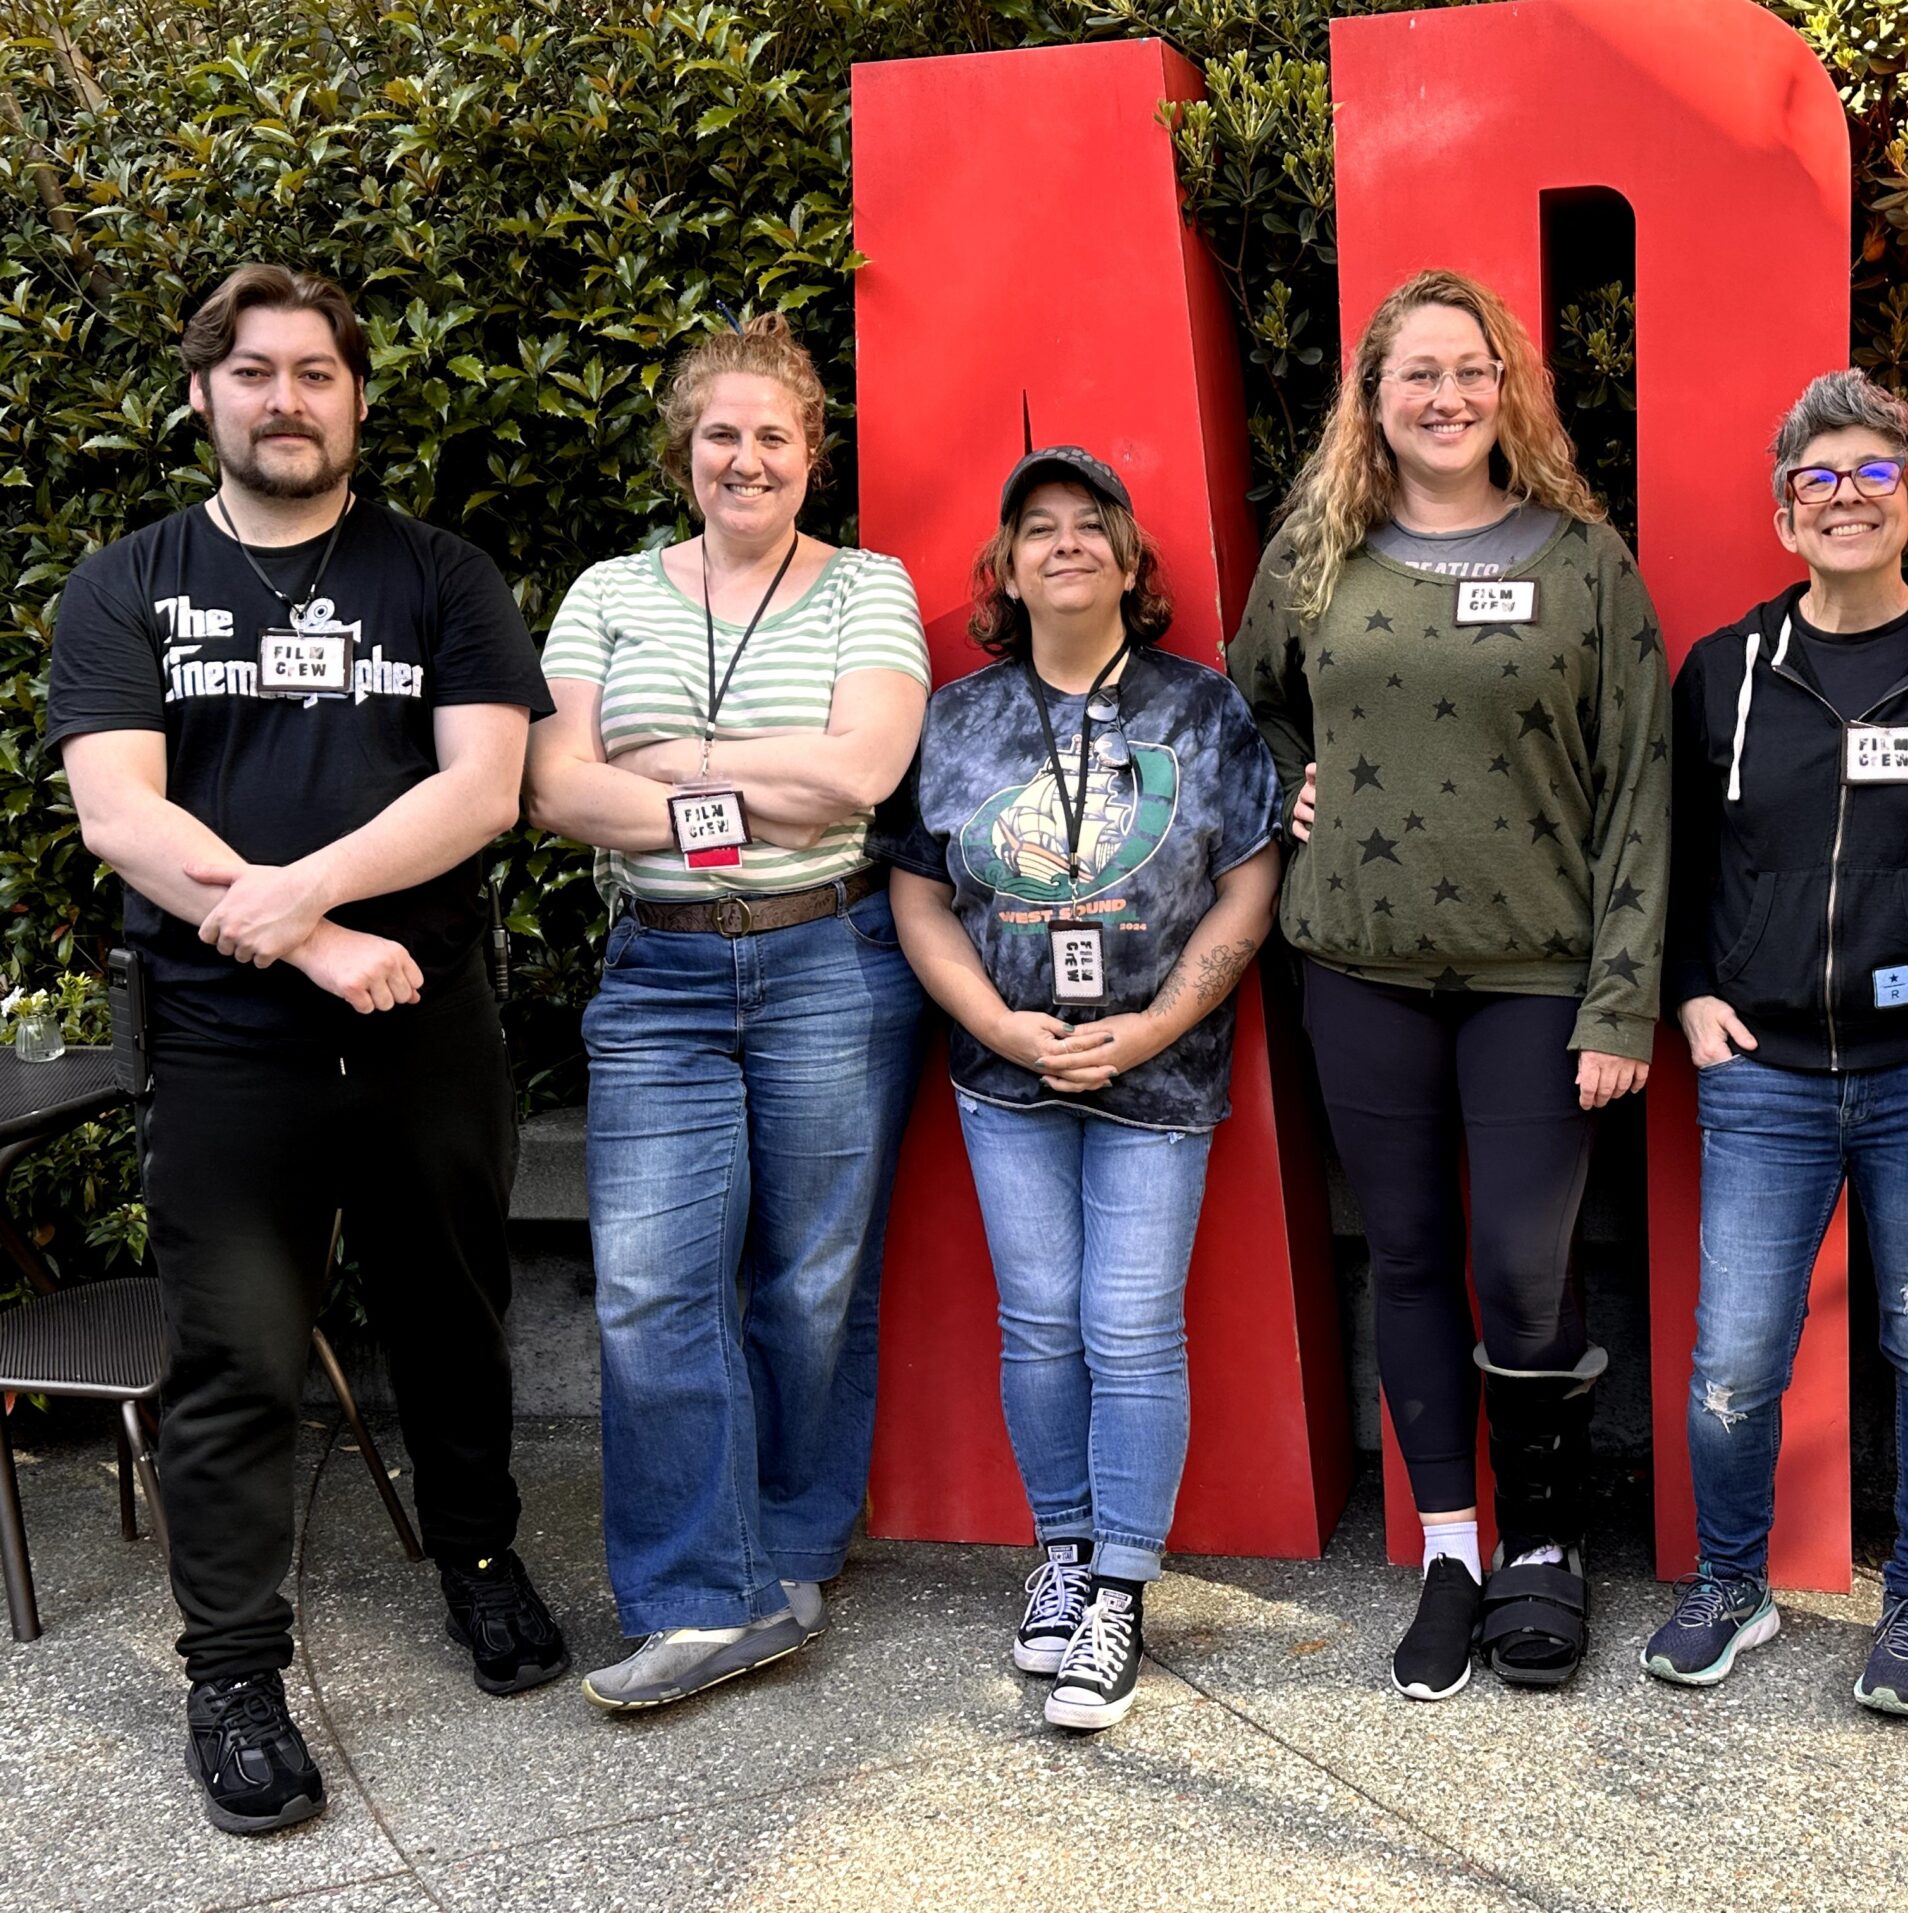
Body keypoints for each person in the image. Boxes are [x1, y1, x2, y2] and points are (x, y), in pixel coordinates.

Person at [45, 264, 565, 1835]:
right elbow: (118, 812)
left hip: (424, 1021)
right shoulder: (127, 584)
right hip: (225, 1041)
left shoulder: (439, 575)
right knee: (236, 1355)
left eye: (316, 373)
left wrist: (304, 893)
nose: (288, 400)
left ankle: (479, 1556)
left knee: (452, 1316)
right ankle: (233, 1671)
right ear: (203, 395)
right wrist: (314, 938)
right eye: (256, 372)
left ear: (356, 397)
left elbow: (482, 790)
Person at [1228, 269, 1670, 1699]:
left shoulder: (1582, 560)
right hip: (1357, 968)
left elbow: (1640, 785)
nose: (1445, 395)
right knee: (1409, 1258)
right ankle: (1449, 1551)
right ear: (1371, 399)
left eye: (1471, 369)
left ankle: (1543, 1543)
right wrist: (1288, 787)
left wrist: (1620, 997)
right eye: (1416, 372)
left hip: (1536, 978)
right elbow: (1249, 699)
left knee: (1523, 1273)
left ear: (1507, 389)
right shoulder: (1316, 554)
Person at [522, 314, 932, 1710]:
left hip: (830, 960)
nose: (745, 458)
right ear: (682, 452)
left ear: (811, 451)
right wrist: (764, 778)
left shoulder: (867, 587)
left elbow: (862, 774)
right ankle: (703, 1594)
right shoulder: (605, 594)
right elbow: (555, 787)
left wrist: (667, 757)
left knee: (812, 1277)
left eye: (772, 434)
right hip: (663, 972)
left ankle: (795, 1542)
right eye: (719, 435)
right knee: (653, 1284)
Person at [1643, 371, 1908, 1716]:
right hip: (1761, 1073)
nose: (1845, 497)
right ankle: (1732, 1583)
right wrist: (1687, 993)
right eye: (1818, 478)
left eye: (1876, 474)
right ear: (1784, 515)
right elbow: (1674, 854)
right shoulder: (1727, 671)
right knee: (1735, 1358)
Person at [876, 447, 1280, 1732]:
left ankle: (1119, 1590)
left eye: (1090, 524)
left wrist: (1156, 1020)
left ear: (1130, 559)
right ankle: (1061, 1551)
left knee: (1132, 1324)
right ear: (1004, 567)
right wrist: (997, 1019)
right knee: (1041, 1321)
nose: (1065, 543)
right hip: (1006, 1072)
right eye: (1038, 527)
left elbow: (1250, 883)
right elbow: (918, 895)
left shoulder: (1202, 709)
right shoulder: (955, 717)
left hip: (1160, 1074)